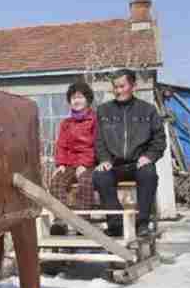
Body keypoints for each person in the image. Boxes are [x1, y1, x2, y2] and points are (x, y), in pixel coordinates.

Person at [92, 69, 166, 237]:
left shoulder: (148, 110)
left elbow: (159, 139)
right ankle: (116, 223)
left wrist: (149, 156)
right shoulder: (103, 111)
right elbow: (99, 140)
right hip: (114, 164)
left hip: (138, 163)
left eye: (121, 86)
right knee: (100, 176)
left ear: (133, 86)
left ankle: (142, 224)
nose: (118, 91)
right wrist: (103, 159)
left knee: (149, 174)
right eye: (115, 87)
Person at [49, 81, 97, 236]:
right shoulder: (66, 123)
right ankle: (61, 221)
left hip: (88, 163)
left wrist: (86, 164)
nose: (76, 101)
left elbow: (98, 144)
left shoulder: (95, 121)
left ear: (88, 100)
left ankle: (82, 222)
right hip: (69, 163)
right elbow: (61, 145)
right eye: (73, 98)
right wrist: (61, 164)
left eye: (80, 97)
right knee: (56, 181)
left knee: (85, 181)